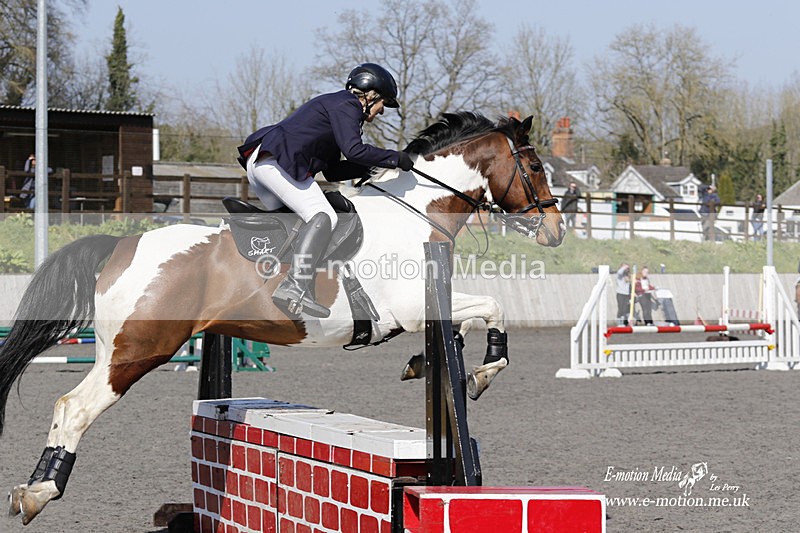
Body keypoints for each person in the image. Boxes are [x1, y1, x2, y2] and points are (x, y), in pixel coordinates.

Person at [236, 63, 414, 319]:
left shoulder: (336, 108)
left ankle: (282, 280)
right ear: (370, 94)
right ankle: (294, 287)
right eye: (382, 103)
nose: (381, 111)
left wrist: (367, 172)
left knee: (300, 223)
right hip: (275, 162)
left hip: (265, 162)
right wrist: (395, 158)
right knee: (324, 216)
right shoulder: (348, 105)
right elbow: (355, 151)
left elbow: (332, 171)